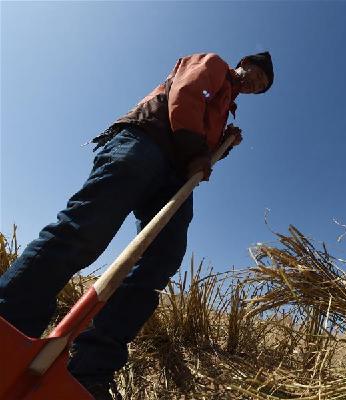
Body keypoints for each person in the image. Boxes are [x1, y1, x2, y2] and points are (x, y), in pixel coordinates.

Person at [0, 51, 274, 399]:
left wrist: (221, 143)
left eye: (261, 85)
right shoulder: (214, 65)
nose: (255, 82)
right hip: (146, 140)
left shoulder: (226, 112)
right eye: (255, 73)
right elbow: (185, 95)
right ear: (244, 63)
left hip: (175, 173)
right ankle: (9, 322)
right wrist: (197, 150)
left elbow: (203, 149)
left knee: (163, 259)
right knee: (87, 227)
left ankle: (90, 369)